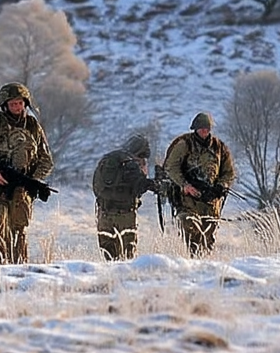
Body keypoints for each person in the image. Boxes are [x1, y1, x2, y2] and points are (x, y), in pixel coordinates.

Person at [0, 82, 54, 264]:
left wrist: (33, 180)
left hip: (21, 190)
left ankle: (18, 271)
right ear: (4, 105)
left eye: (20, 103)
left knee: (19, 232)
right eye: (12, 104)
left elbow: (46, 158)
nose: (17, 107)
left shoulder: (33, 126)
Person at [164, 112, 236, 257]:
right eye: (201, 128)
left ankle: (204, 269)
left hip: (211, 203)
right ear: (195, 128)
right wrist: (185, 185)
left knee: (207, 241)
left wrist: (221, 186)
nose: (204, 131)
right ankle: (194, 261)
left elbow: (229, 173)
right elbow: (171, 167)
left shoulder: (219, 147)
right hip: (189, 201)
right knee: (190, 229)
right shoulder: (184, 145)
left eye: (207, 128)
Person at [91, 134, 157, 261]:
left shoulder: (108, 159)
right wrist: (154, 184)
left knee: (109, 257)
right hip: (125, 216)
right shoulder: (130, 164)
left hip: (104, 214)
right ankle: (124, 281)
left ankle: (111, 279)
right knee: (127, 258)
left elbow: (96, 186)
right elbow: (139, 185)